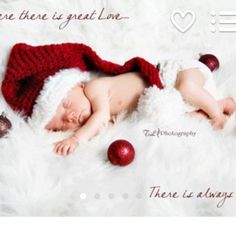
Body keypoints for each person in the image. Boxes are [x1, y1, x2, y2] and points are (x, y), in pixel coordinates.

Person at [45, 60, 236, 156]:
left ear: (78, 85)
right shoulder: (105, 112)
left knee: (187, 88)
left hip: (177, 74)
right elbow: (107, 122)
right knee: (183, 120)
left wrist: (76, 138)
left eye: (65, 105)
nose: (69, 116)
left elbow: (100, 117)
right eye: (61, 124)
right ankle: (223, 103)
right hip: (168, 99)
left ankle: (217, 114)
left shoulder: (94, 88)